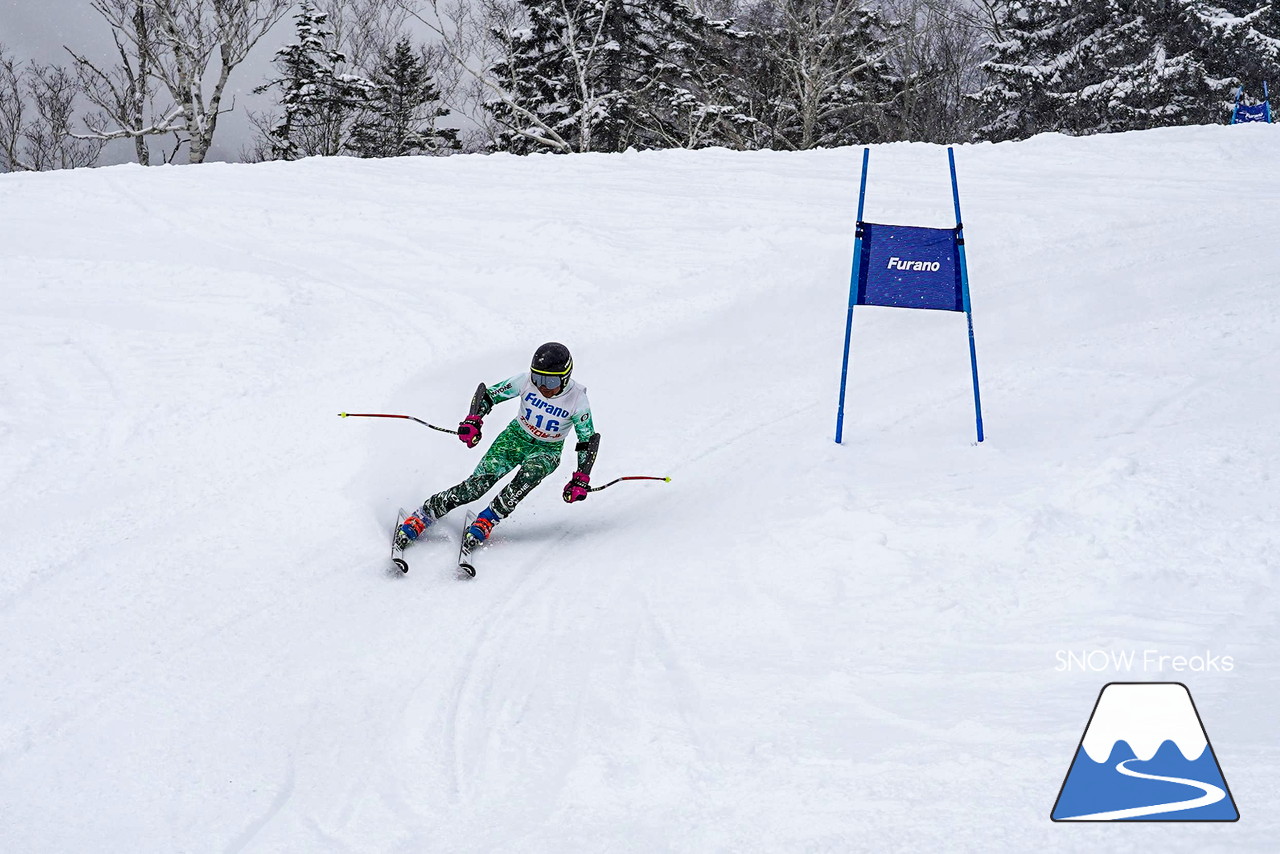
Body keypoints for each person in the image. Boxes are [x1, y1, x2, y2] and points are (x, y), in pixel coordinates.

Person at [395, 342, 600, 549]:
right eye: (538, 378)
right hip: (514, 438)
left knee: (528, 476)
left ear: (565, 377)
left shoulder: (577, 400)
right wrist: (473, 420)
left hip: (547, 450)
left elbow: (586, 441)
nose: (543, 386)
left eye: (550, 380)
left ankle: (488, 519)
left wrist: (581, 477)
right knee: (475, 488)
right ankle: (425, 513)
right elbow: (488, 395)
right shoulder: (525, 381)